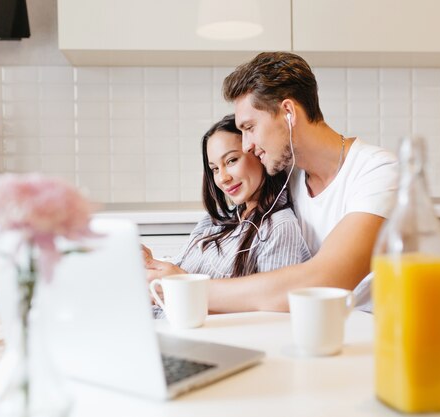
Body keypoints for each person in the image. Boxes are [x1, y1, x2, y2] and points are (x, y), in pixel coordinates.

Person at [147, 52, 399, 313]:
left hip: (378, 336)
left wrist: (184, 289)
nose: (247, 145)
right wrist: (156, 267)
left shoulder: (378, 170)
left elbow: (324, 279)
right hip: (323, 330)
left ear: (288, 112)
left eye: (250, 127)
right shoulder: (288, 175)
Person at [144, 114, 311, 317]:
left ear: (258, 153)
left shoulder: (278, 228)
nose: (223, 178)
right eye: (215, 169)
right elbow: (175, 274)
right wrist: (151, 265)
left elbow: (271, 316)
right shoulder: (214, 221)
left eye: (231, 160)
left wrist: (183, 287)